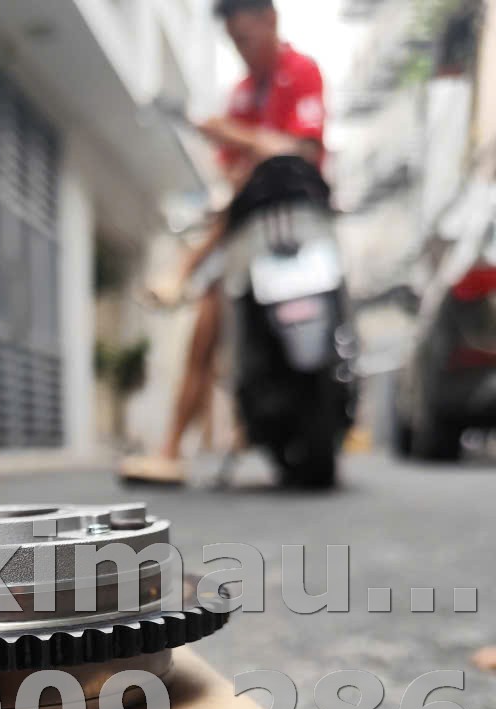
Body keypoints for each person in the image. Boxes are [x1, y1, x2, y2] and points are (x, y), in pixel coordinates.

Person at [126, 0, 327, 483]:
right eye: (233, 42)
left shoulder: (301, 72)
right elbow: (232, 176)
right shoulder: (241, 94)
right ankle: (170, 450)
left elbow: (304, 149)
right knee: (205, 327)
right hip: (245, 229)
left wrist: (232, 134)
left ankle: (180, 271)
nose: (241, 51)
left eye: (246, 39)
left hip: (301, 223)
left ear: (270, 20)